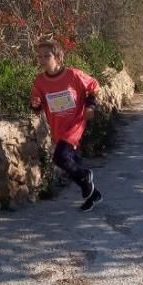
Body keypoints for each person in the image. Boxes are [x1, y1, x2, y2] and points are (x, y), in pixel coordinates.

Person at [30, 39, 102, 212]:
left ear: (59, 56)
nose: (42, 59)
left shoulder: (73, 75)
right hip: (58, 128)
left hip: (75, 124)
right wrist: (35, 103)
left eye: (47, 55)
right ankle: (93, 195)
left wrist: (90, 106)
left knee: (60, 158)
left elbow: (94, 86)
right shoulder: (40, 81)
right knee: (72, 162)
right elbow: (36, 106)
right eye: (39, 56)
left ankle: (86, 176)